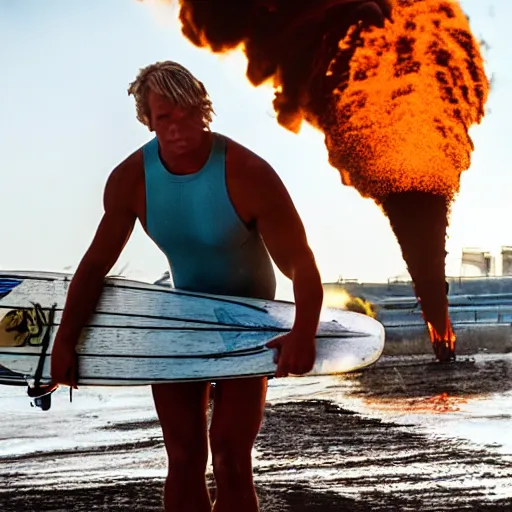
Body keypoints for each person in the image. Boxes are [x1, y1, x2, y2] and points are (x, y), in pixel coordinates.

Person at [50, 60, 324, 512]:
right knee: (183, 456)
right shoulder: (131, 180)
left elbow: (299, 259)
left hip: (249, 325)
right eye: (164, 119)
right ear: (148, 120)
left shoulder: (248, 173)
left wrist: (304, 329)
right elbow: (97, 263)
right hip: (181, 320)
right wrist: (66, 340)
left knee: (232, 456)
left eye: (186, 113)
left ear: (204, 109)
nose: (178, 129)